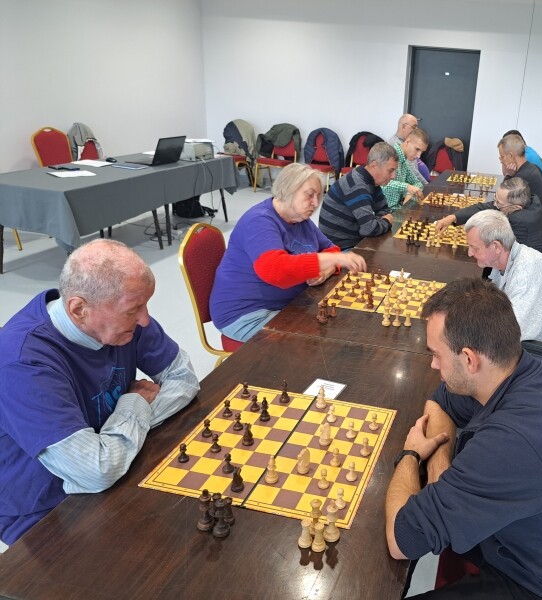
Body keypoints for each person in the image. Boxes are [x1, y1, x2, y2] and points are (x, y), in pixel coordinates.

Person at [384, 277, 542, 600]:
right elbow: (441, 401)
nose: (432, 365)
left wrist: (411, 455)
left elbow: (401, 540)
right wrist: (440, 461)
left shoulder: (513, 444)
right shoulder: (522, 369)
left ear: (469, 359)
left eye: (436, 355)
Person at [0, 239, 200, 548]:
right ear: (78, 309)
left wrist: (112, 444)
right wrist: (134, 404)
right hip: (45, 506)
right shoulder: (23, 362)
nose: (145, 319)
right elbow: (95, 471)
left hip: (122, 465)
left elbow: (184, 379)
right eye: (133, 310)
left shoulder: (125, 321)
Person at [210, 163, 367, 342]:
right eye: (309, 195)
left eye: (318, 196)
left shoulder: (299, 218)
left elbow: (331, 249)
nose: (316, 203)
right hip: (247, 314)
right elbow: (277, 271)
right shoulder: (259, 221)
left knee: (342, 326)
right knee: (321, 342)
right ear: (288, 190)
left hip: (289, 304)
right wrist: (332, 259)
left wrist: (326, 271)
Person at [464, 211, 542, 345]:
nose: (470, 253)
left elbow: (511, 332)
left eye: (474, 248)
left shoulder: (527, 272)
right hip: (523, 337)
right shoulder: (505, 260)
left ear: (496, 247)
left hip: (540, 349)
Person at [434, 177, 542, 260]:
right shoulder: (529, 200)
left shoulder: (519, 221)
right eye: (495, 199)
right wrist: (453, 217)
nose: (495, 204)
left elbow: (494, 250)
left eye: (499, 203)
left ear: (516, 207)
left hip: (538, 271)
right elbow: (487, 207)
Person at [318, 142, 398, 250]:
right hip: (338, 249)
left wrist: (378, 222)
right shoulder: (357, 186)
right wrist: (386, 222)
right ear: (374, 166)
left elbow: (384, 209)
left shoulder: (371, 181)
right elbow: (369, 229)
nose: (394, 176)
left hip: (353, 240)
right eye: (391, 170)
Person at [497, 133, 542, 224]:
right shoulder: (533, 168)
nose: (501, 160)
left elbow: (501, 202)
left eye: (502, 157)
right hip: (540, 222)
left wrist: (508, 175)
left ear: (511, 156)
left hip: (528, 228)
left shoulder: (521, 179)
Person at [382, 128, 429, 211]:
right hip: (385, 211)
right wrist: (407, 187)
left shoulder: (404, 161)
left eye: (422, 152)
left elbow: (418, 183)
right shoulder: (389, 155)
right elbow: (382, 184)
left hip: (398, 208)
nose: (419, 156)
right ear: (407, 142)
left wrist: (410, 193)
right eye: (417, 149)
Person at [503, 129, 542, 199]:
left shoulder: (526, 158)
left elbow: (507, 193)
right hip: (539, 198)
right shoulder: (527, 151)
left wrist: (503, 160)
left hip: (536, 199)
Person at [387, 113, 428, 182]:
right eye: (414, 127)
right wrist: (426, 185)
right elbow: (411, 171)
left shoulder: (408, 144)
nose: (416, 130)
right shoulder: (396, 146)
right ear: (404, 127)